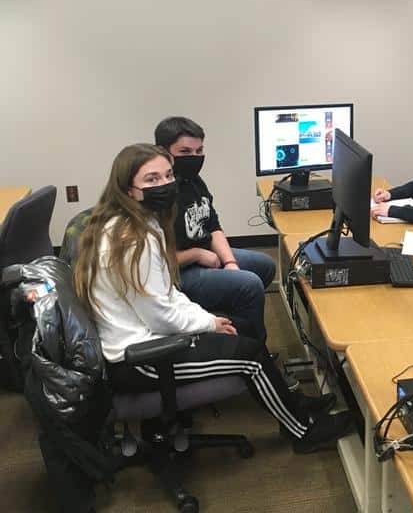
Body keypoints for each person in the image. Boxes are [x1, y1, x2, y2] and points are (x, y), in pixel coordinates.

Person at [73, 143, 351, 453]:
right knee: (251, 359)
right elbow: (159, 314)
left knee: (244, 328)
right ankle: (302, 433)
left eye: (167, 175)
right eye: (151, 179)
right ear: (129, 189)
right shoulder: (131, 240)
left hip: (146, 334)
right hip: (141, 358)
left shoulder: (138, 222)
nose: (164, 184)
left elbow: (166, 293)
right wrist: (208, 324)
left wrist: (208, 320)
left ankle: (294, 403)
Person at [154, 117, 275, 345]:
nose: (195, 157)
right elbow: (156, 261)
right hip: (177, 273)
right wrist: (197, 255)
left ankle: (234, 325)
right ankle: (253, 348)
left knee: (265, 266)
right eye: (185, 151)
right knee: (249, 285)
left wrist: (230, 263)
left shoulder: (194, 181)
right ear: (164, 151)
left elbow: (213, 226)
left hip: (205, 255)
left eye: (199, 150)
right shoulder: (161, 194)